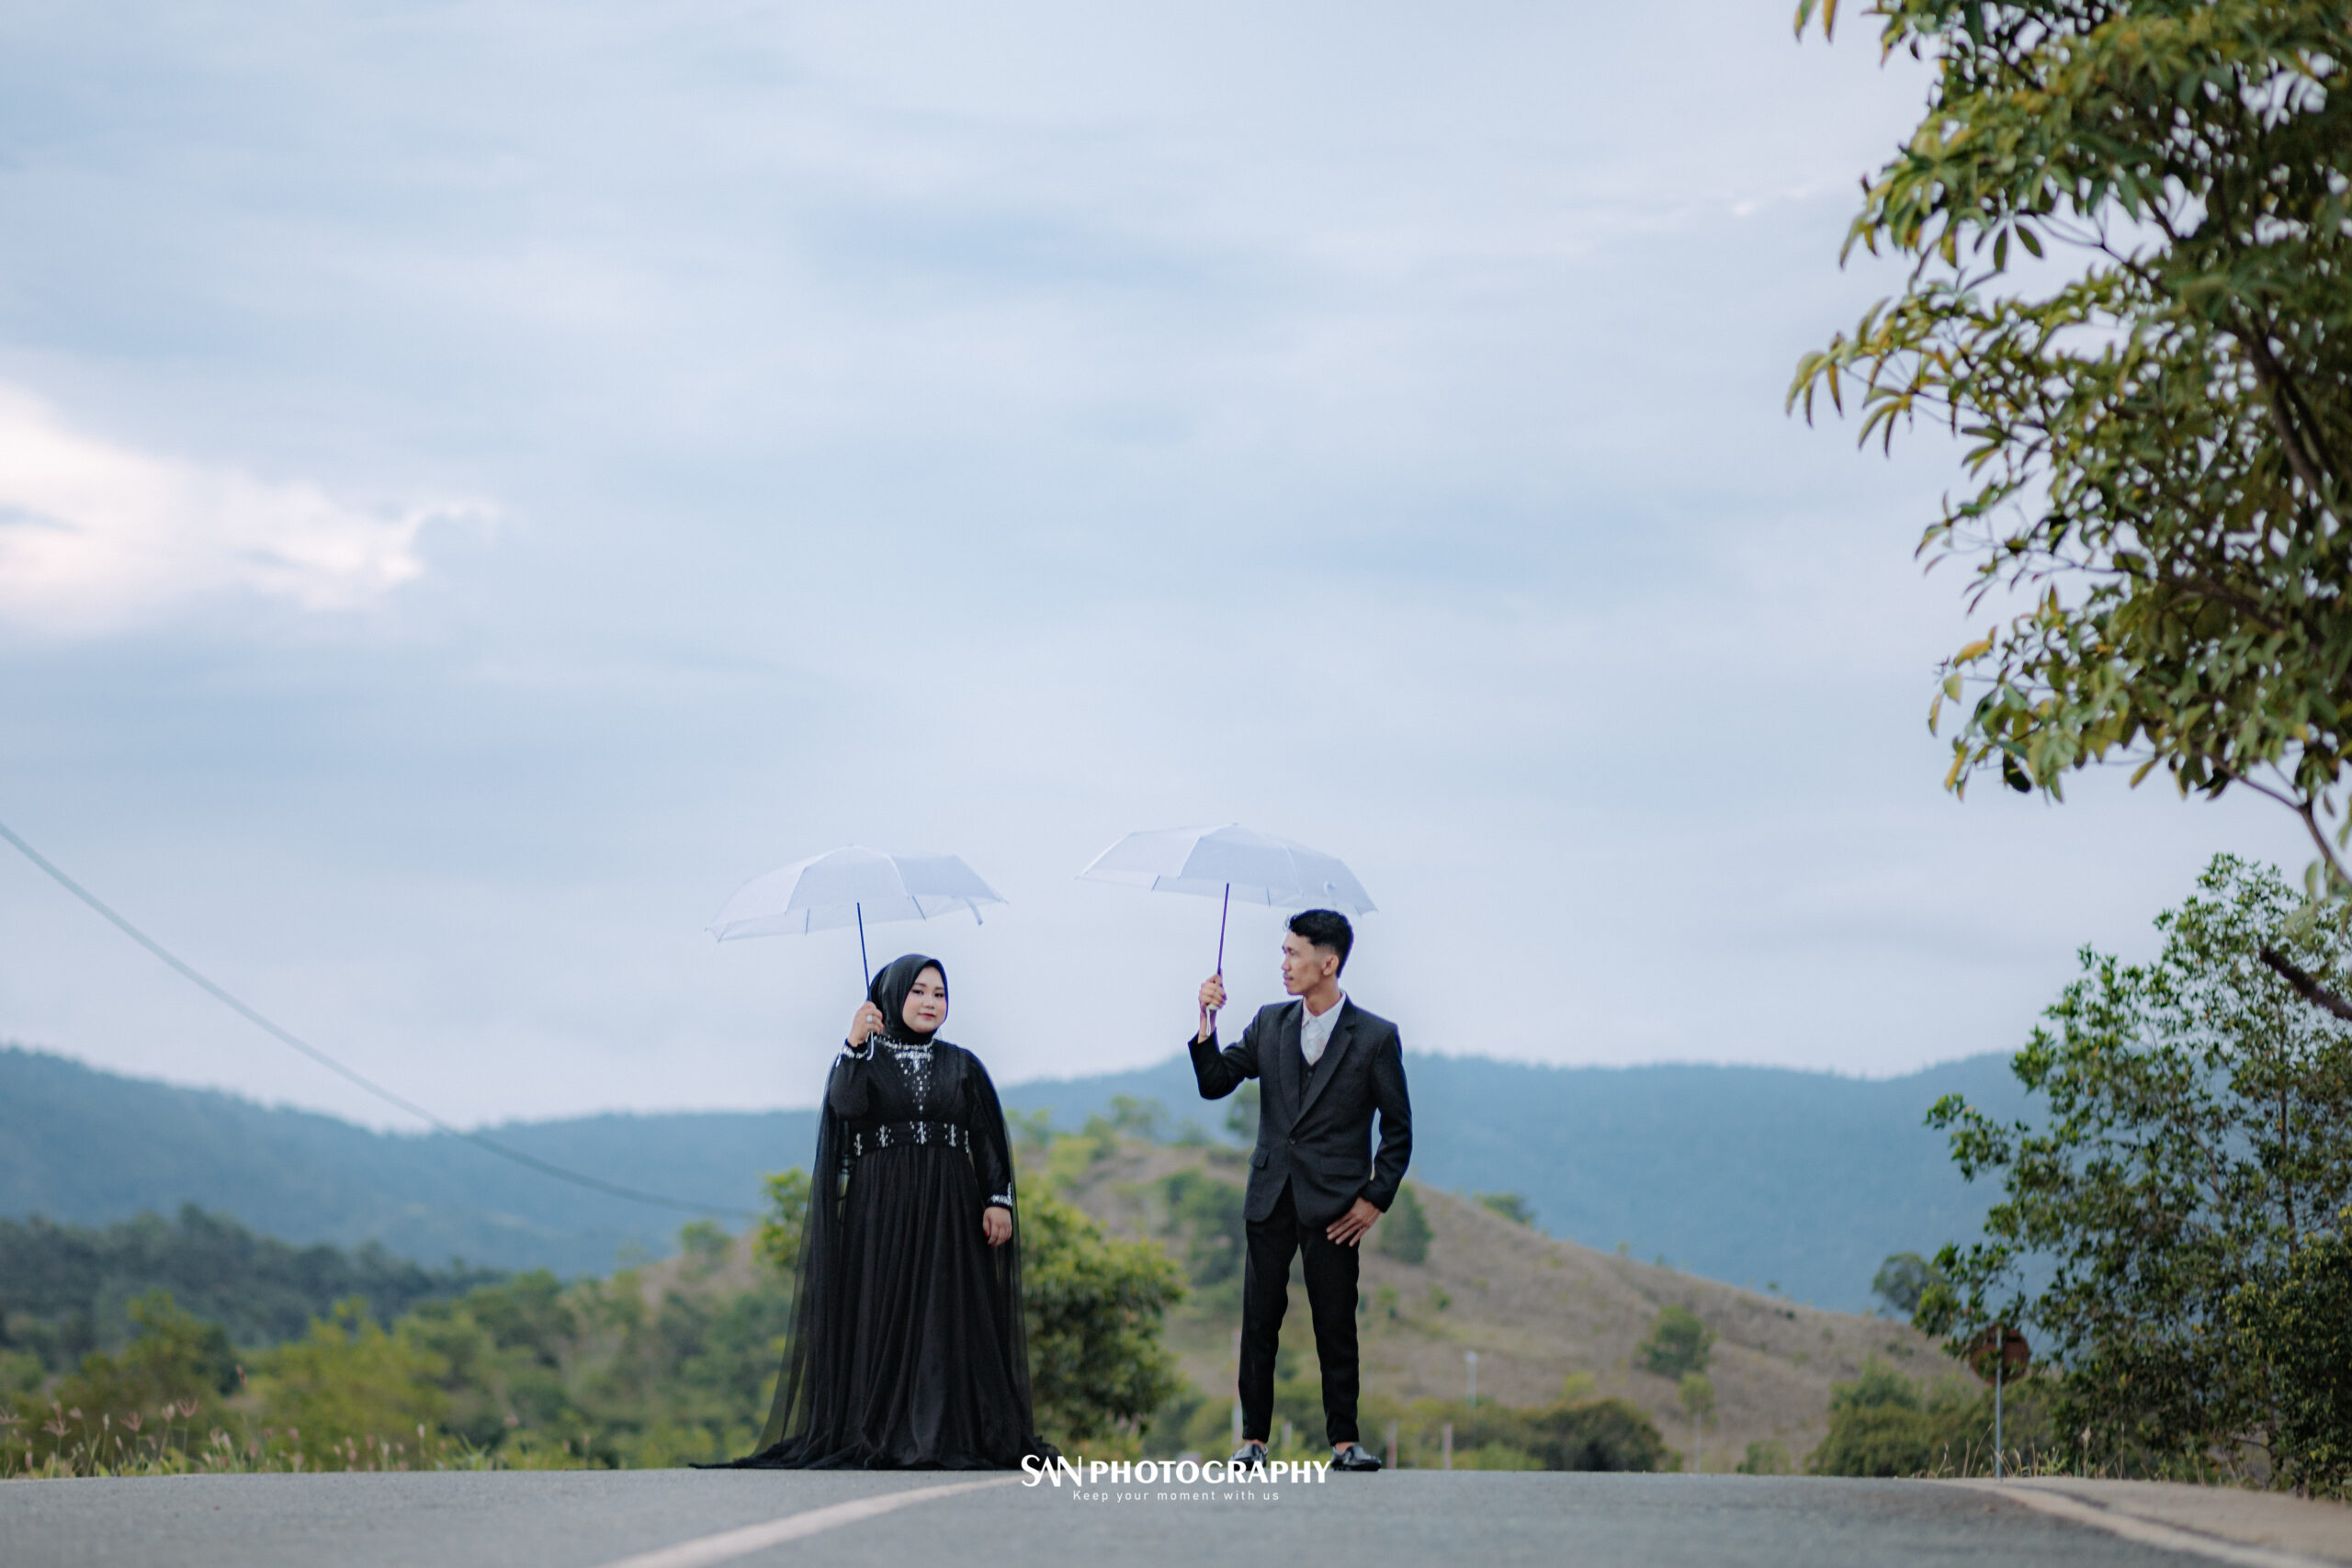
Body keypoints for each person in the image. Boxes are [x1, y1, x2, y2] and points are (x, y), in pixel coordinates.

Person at [722, 953, 1055, 1469]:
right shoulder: (863, 1059)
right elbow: (846, 1106)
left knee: (945, 1313)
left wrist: (997, 1199)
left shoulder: (962, 1065)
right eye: (918, 991)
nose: (930, 1002)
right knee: (883, 1312)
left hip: (949, 1207)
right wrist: (855, 1044)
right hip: (881, 1209)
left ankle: (943, 1433)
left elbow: (985, 1136)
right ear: (893, 995)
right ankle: (879, 1430)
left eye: (939, 993)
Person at [1189, 908, 1411, 1472]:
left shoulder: (1376, 1038)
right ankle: (1252, 1442)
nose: (1284, 963)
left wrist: (1374, 1198)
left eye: (1293, 953)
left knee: (1335, 1323)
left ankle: (1344, 1444)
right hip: (1270, 1195)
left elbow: (1399, 1131)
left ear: (1328, 963)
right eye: (1284, 952)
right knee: (1259, 1321)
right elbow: (1215, 1083)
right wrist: (1207, 1021)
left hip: (1336, 1206)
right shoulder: (1269, 1023)